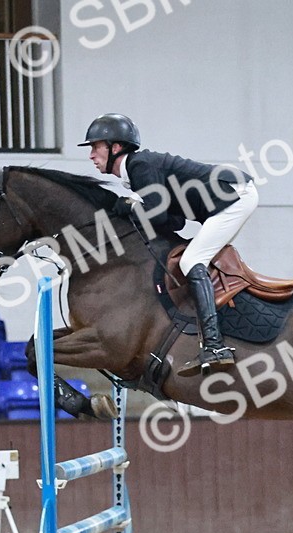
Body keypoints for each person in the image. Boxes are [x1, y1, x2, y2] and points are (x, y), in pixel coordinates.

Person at [79, 112, 257, 377]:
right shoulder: (138, 171)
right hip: (229, 195)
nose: (91, 155)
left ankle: (214, 345)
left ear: (115, 147)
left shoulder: (140, 166)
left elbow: (157, 215)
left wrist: (125, 205)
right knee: (189, 257)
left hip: (235, 195)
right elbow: (174, 221)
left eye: (95, 147)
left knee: (191, 260)